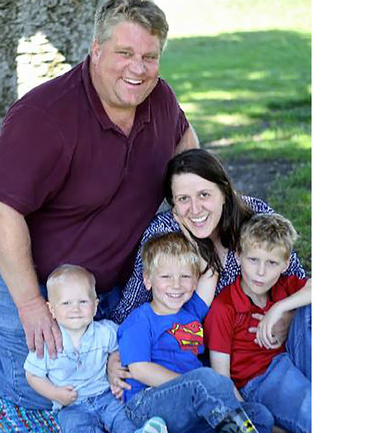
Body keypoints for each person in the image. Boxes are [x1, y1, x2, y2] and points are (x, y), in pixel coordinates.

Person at [0, 0, 198, 409]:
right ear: (96, 49)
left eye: (149, 57)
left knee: (114, 374)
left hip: (100, 276)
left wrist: (198, 208)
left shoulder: (160, 99)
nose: (138, 68)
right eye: (124, 53)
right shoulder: (42, 116)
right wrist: (31, 305)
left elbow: (187, 147)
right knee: (50, 390)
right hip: (20, 266)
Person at [110, 148, 306, 327]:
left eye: (204, 194)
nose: (195, 209)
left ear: (224, 192)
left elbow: (299, 277)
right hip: (190, 346)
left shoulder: (255, 214)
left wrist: (286, 316)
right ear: (173, 204)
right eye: (183, 199)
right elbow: (130, 308)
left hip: (264, 335)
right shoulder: (163, 232)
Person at [117, 232, 273, 433]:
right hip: (147, 404)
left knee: (260, 415)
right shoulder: (141, 319)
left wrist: (188, 235)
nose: (176, 284)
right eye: (166, 276)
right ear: (148, 280)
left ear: (195, 280)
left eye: (185, 276)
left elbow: (211, 272)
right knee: (207, 379)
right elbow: (140, 370)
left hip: (192, 402)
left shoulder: (192, 312)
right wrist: (190, 384)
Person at [24, 265, 168, 433]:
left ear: (95, 305)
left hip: (105, 395)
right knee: (77, 427)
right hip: (71, 407)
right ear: (52, 310)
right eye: (66, 303)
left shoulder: (105, 332)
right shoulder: (48, 340)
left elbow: (121, 347)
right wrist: (54, 393)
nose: (75, 308)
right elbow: (33, 375)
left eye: (83, 302)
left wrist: (114, 363)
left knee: (123, 416)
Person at [204, 213, 312, 433]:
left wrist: (278, 308)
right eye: (253, 260)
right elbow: (221, 378)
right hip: (261, 380)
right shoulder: (224, 307)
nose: (261, 272)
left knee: (310, 308)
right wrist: (251, 421)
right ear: (238, 256)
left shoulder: (284, 286)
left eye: (272, 263)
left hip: (294, 358)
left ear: (285, 264)